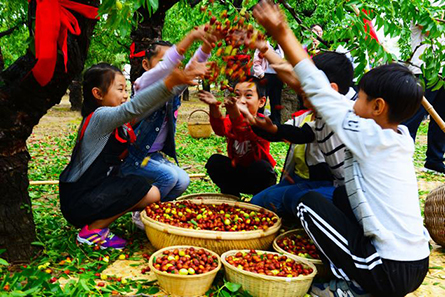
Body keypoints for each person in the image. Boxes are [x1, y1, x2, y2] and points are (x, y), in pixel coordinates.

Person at [253, 1, 429, 296]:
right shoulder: (397, 137)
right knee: (341, 197)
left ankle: (353, 287)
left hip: (388, 269)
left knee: (307, 204)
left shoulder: (370, 136)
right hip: (415, 263)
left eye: (359, 96)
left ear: (377, 106)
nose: (353, 102)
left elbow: (317, 88)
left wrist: (281, 31)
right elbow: (307, 86)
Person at [59, 61, 207, 249]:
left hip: (94, 192)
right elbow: (135, 108)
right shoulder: (100, 117)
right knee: (146, 191)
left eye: (126, 89)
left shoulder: (117, 120)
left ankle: (101, 222)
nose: (125, 95)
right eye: (120, 89)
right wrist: (169, 82)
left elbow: (145, 108)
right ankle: (93, 231)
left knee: (147, 190)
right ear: (98, 94)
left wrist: (180, 83)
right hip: (79, 200)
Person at [120, 28, 215, 229]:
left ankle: (155, 212)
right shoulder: (143, 84)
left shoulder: (173, 87)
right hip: (133, 156)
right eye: (164, 62)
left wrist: (207, 45)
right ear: (146, 65)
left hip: (151, 156)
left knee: (183, 180)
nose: (171, 68)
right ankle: (141, 213)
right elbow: (164, 70)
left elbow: (191, 66)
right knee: (168, 177)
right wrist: (189, 38)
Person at [246, 52, 354, 218]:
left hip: (346, 192)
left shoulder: (348, 115)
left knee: (296, 199)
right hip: (311, 182)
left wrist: (269, 48)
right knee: (258, 203)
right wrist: (268, 128)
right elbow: (300, 133)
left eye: (306, 91)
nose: (302, 100)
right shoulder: (315, 120)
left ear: (331, 90)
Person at [198, 78, 277, 197]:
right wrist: (214, 106)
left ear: (261, 101)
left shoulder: (263, 123)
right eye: (237, 95)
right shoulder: (231, 120)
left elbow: (244, 130)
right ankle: (231, 195)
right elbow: (220, 129)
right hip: (237, 173)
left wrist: (235, 112)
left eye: (248, 95)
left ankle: (260, 199)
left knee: (262, 168)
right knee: (215, 162)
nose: (241, 101)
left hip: (259, 178)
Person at [404, 23, 445, 174]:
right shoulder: (422, 7)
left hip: (442, 70)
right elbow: (431, 29)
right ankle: (401, 156)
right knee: (414, 115)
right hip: (423, 68)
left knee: (441, 116)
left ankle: (435, 159)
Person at [253, 41, 285, 124]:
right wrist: (261, 75)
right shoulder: (263, 44)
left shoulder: (280, 45)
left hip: (277, 77)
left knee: (276, 102)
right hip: (265, 76)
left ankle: (277, 125)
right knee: (261, 101)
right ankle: (258, 123)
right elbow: (256, 62)